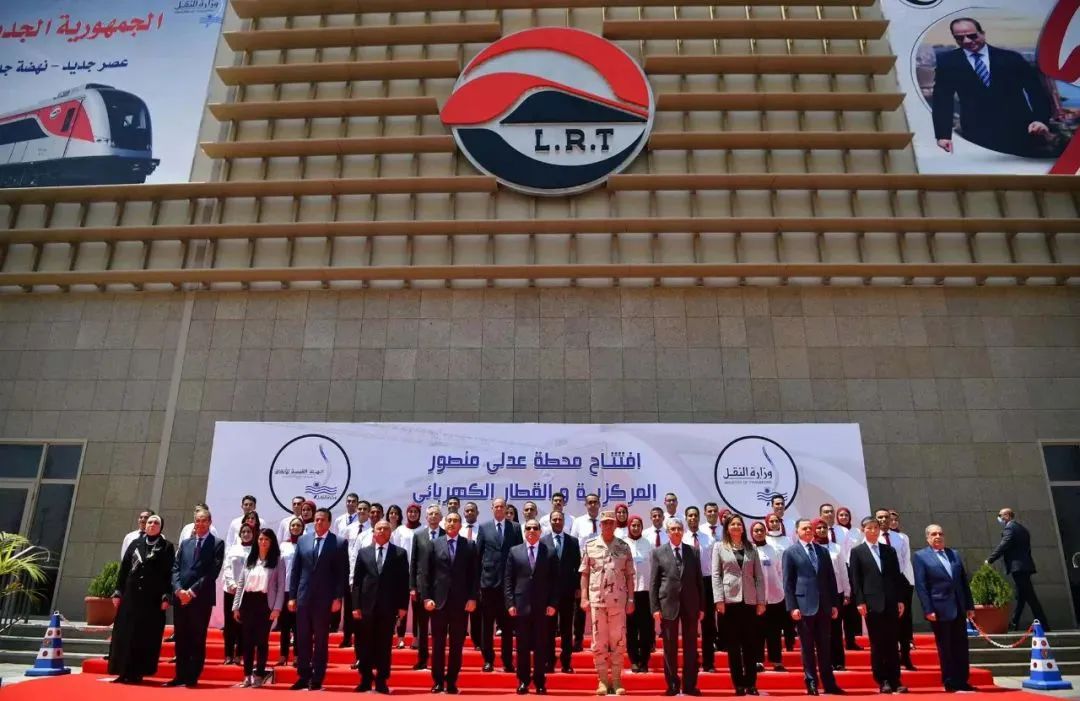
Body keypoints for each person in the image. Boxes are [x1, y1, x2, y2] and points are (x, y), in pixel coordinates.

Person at [932, 17, 1054, 157]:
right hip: (976, 133)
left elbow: (1036, 91)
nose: (966, 41)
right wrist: (943, 135)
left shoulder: (1011, 58)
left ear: (982, 34)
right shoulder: (948, 62)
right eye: (959, 38)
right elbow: (942, 100)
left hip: (1018, 130)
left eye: (972, 36)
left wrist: (1041, 119)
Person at [109, 514, 174, 684]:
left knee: (145, 635)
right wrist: (118, 591)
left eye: (156, 522)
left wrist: (167, 595)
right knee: (125, 633)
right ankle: (122, 671)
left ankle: (138, 673)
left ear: (161, 527)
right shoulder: (135, 543)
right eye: (149, 522)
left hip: (152, 599)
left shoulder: (166, 547)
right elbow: (124, 568)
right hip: (131, 596)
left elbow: (169, 573)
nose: (152, 524)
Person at [782, 518, 843, 696]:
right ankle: (811, 682)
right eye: (805, 528)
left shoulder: (822, 551)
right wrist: (792, 606)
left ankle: (829, 683)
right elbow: (788, 582)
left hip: (824, 606)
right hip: (803, 606)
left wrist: (834, 604)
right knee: (807, 648)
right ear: (797, 532)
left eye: (810, 528)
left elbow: (831, 579)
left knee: (825, 646)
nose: (808, 530)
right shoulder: (790, 552)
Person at [288, 507, 345, 691]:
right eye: (317, 519)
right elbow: (296, 570)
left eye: (322, 520)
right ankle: (303, 676)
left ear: (329, 522)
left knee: (321, 640)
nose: (318, 522)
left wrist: (337, 597)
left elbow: (341, 574)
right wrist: (292, 596)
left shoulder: (339, 542)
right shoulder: (303, 540)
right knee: (302, 638)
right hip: (304, 597)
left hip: (325, 599)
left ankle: (317, 677)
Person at [914, 524, 976, 693]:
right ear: (927, 538)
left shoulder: (954, 554)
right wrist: (928, 609)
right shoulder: (921, 556)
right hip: (939, 609)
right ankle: (949, 681)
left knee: (961, 646)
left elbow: (963, 582)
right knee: (946, 647)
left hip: (959, 607)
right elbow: (921, 586)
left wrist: (969, 605)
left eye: (940, 533)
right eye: (934, 534)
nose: (938, 536)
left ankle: (962, 680)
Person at [849, 516, 908, 694]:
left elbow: (896, 577)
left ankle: (895, 679)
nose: (873, 531)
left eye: (876, 527)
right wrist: (860, 601)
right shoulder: (857, 552)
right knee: (877, 643)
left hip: (890, 602)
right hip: (871, 603)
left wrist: (899, 599)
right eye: (869, 528)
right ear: (863, 530)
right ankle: (882, 680)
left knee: (892, 642)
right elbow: (856, 579)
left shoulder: (889, 550)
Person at [423, 512, 479, 694]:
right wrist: (427, 597)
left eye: (455, 521)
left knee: (456, 645)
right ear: (444, 523)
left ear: (460, 525)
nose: (452, 523)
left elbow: (474, 575)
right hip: (438, 603)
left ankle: (452, 681)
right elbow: (426, 574)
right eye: (449, 520)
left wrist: (472, 598)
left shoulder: (469, 545)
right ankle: (438, 681)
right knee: (438, 644)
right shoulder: (434, 544)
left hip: (460, 604)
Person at [167, 507, 224, 688]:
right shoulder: (186, 544)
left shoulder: (217, 544)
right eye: (197, 520)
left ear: (210, 522)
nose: (200, 524)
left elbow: (212, 573)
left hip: (200, 599)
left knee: (197, 638)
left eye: (204, 520)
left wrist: (191, 592)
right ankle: (180, 675)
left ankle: (192, 676)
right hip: (181, 598)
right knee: (181, 637)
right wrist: (178, 590)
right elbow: (176, 568)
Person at [580, 510, 635, 696]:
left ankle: (617, 680)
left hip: (618, 602)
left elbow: (630, 576)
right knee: (599, 642)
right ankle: (603, 680)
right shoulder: (590, 546)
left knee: (619, 641)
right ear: (600, 525)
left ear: (615, 525)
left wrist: (631, 599)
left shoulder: (623, 547)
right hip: (597, 601)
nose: (608, 525)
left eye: (611, 522)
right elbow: (585, 574)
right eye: (605, 522)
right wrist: (584, 597)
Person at [351, 519, 409, 694]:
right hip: (366, 607)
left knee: (384, 645)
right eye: (379, 528)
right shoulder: (363, 552)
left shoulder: (399, 553)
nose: (382, 531)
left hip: (388, 606)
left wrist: (402, 606)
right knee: (364, 644)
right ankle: (365, 679)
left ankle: (382, 680)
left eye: (385, 528)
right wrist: (355, 606)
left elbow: (403, 582)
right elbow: (357, 582)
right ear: (374, 532)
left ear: (390, 532)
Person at [713, 514, 766, 696]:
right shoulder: (719, 547)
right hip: (730, 602)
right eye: (733, 524)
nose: (736, 526)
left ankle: (751, 683)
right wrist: (719, 599)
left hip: (749, 601)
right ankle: (738, 684)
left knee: (750, 644)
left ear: (743, 528)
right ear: (727, 528)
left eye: (739, 524)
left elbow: (759, 576)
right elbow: (716, 575)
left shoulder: (751, 548)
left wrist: (761, 601)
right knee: (734, 646)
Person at [651, 517, 703, 697]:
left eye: (679, 528)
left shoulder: (693, 551)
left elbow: (699, 581)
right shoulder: (658, 552)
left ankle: (689, 685)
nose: (676, 531)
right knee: (669, 647)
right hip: (668, 605)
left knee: (691, 647)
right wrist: (655, 608)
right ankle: (672, 684)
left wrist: (701, 607)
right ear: (667, 532)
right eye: (673, 529)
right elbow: (654, 583)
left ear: (683, 531)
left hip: (690, 605)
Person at [506, 518, 559, 694]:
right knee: (522, 647)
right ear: (524, 531)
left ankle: (540, 682)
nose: (531, 531)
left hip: (542, 607)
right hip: (521, 606)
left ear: (540, 531)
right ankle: (523, 681)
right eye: (528, 528)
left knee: (541, 646)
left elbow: (555, 581)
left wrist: (552, 603)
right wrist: (510, 603)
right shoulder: (514, 551)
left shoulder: (549, 552)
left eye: (535, 528)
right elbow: (508, 580)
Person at [232, 528, 286, 688]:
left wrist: (277, 608)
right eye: (261, 539)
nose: (263, 542)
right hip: (248, 602)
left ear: (272, 542)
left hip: (265, 603)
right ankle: (247, 675)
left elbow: (281, 586)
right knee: (247, 641)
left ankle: (259, 674)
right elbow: (241, 583)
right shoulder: (250, 558)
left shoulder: (278, 561)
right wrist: (236, 606)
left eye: (266, 539)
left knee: (261, 641)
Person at [476, 497, 523, 673]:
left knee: (508, 627)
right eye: (496, 506)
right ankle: (488, 660)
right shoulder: (484, 528)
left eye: (502, 506)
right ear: (492, 509)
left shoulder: (515, 528)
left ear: (506, 508)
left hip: (508, 586)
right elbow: (478, 556)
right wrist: (478, 585)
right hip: (488, 585)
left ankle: (507, 661)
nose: (499, 509)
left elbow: (520, 555)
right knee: (487, 626)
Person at [986, 507, 1050, 631]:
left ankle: (1044, 624)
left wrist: (990, 559)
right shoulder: (1022, 529)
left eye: (1000, 515)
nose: (999, 518)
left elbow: (1004, 545)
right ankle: (1014, 623)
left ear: (1007, 516)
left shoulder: (1010, 528)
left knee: (1030, 597)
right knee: (1022, 596)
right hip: (1025, 566)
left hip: (1018, 568)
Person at [541, 509, 581, 674]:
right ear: (550, 521)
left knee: (566, 629)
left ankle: (566, 662)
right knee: (548, 629)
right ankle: (549, 661)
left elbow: (578, 566)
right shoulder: (543, 541)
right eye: (554, 519)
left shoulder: (573, 541)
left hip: (567, 592)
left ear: (564, 521)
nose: (557, 522)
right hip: (548, 594)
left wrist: (578, 587)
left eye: (560, 519)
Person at [877, 509, 916, 670]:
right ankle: (889, 659)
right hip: (881, 583)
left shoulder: (901, 537)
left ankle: (905, 657)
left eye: (886, 517)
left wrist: (902, 580)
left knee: (904, 619)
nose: (884, 520)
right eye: (880, 517)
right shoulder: (873, 537)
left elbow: (906, 559)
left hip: (901, 581)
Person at [813, 518, 851, 672]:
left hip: (836, 593)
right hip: (819, 594)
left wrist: (847, 591)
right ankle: (824, 662)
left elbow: (843, 570)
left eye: (824, 528)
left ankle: (839, 662)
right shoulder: (811, 548)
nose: (822, 530)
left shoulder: (836, 547)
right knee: (821, 631)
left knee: (836, 630)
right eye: (819, 528)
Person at [749, 520, 787, 673]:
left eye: (761, 530)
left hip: (775, 597)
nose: (759, 533)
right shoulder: (748, 550)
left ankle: (776, 661)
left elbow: (780, 570)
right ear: (751, 533)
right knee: (757, 631)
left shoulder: (773, 549)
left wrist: (781, 588)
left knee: (774, 631)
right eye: (756, 531)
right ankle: (757, 660)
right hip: (756, 599)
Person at [410, 505, 445, 669]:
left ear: (441, 517)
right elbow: (413, 562)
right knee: (422, 627)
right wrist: (412, 586)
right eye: (430, 514)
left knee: (439, 628)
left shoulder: (446, 534)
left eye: (436, 514)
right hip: (421, 587)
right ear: (426, 517)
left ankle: (438, 660)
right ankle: (422, 659)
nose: (433, 516)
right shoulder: (419, 535)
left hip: (440, 588)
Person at [685, 506, 717, 673]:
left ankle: (708, 662)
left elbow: (715, 564)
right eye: (690, 515)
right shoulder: (682, 538)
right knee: (690, 625)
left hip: (707, 582)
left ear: (699, 517)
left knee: (708, 625)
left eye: (695, 515)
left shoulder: (709, 539)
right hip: (689, 583)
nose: (693, 518)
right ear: (686, 518)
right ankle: (692, 661)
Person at [623, 514, 653, 674]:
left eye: (638, 525)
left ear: (642, 527)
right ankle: (634, 660)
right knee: (631, 628)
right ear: (629, 527)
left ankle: (644, 660)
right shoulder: (622, 544)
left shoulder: (648, 544)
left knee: (646, 628)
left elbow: (654, 567)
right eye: (633, 525)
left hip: (646, 592)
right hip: (628, 593)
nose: (635, 528)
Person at [223, 521, 256, 666]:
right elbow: (227, 567)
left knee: (244, 624)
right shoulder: (233, 549)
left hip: (247, 592)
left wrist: (245, 586)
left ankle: (240, 654)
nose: (246, 534)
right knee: (229, 624)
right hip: (231, 590)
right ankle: (228, 654)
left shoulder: (256, 550)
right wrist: (232, 584)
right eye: (243, 532)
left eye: (249, 532)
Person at [765, 513, 796, 653]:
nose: (774, 523)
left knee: (788, 615)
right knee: (773, 618)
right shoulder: (764, 540)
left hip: (787, 581)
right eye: (771, 521)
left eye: (776, 521)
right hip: (771, 584)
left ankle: (790, 644)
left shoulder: (787, 540)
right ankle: (774, 647)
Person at [391, 503, 421, 649]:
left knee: (417, 609)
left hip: (418, 574)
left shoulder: (424, 530)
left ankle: (416, 638)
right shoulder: (400, 530)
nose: (413, 514)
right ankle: (400, 638)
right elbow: (394, 550)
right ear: (407, 513)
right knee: (401, 607)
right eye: (410, 511)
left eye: (415, 512)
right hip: (401, 573)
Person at [277, 517, 303, 666]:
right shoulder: (283, 545)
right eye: (293, 525)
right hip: (284, 589)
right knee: (284, 625)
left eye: (298, 525)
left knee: (298, 625)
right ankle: (283, 655)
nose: (295, 527)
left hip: (300, 591)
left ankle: (298, 655)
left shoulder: (306, 544)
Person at [462, 501, 483, 649]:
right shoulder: (458, 528)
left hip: (478, 574)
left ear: (477, 513)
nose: (470, 513)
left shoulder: (483, 530)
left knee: (477, 611)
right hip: (460, 575)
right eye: (467, 511)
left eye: (472, 510)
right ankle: (459, 639)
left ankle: (477, 642)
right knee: (459, 611)